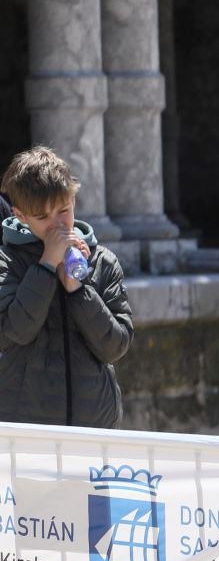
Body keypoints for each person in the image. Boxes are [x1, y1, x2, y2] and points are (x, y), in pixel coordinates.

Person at [0, 147, 131, 428]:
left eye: (63, 211)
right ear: (20, 215)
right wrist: (46, 265)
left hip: (94, 426)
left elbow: (116, 346)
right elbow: (14, 331)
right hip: (26, 427)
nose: (56, 225)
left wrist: (78, 289)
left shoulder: (102, 261)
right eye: (42, 217)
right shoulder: (6, 261)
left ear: (73, 199)